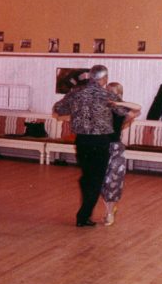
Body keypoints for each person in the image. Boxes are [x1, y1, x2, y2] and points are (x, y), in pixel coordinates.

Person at [53, 65, 127, 227]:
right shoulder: (108, 95)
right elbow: (123, 112)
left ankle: (84, 215)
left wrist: (76, 111)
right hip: (101, 141)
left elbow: (58, 109)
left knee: (87, 176)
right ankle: (83, 215)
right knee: (96, 179)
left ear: (91, 77)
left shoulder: (76, 93)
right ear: (104, 79)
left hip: (82, 141)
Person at [100, 82, 141, 226]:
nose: (110, 94)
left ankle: (109, 213)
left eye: (114, 92)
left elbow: (137, 108)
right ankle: (108, 210)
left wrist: (117, 102)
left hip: (116, 148)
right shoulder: (101, 108)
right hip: (100, 147)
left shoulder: (122, 110)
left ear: (119, 94)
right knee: (101, 182)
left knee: (113, 182)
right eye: (108, 91)